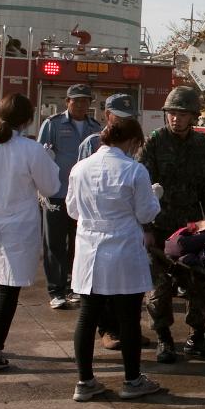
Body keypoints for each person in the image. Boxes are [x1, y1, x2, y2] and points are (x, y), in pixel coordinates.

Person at [66, 116, 164, 402]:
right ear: (133, 142)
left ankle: (85, 381)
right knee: (128, 318)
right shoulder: (134, 170)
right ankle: (132, 380)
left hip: (89, 249)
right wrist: (156, 195)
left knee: (87, 317)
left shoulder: (79, 168)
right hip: (122, 250)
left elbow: (72, 209)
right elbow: (146, 213)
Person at [0, 93, 60, 372]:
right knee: (9, 285)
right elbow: (51, 188)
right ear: (29, 120)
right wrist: (50, 161)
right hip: (17, 223)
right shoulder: (31, 150)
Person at [137, 86, 205, 364]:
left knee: (199, 286)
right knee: (158, 290)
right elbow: (141, 187)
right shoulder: (154, 143)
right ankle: (164, 338)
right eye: (172, 113)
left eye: (182, 114)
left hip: (191, 230)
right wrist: (146, 228)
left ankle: (196, 337)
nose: (175, 119)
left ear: (193, 117)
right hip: (160, 227)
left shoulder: (201, 144)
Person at [78, 92, 144, 350]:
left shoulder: (135, 144)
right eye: (121, 117)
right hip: (99, 230)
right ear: (107, 116)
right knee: (100, 294)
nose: (126, 122)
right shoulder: (92, 144)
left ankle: (127, 332)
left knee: (126, 294)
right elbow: (80, 192)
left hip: (126, 232)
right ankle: (109, 330)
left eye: (130, 118)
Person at [37, 83, 102, 309]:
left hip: (84, 197)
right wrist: (42, 189)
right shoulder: (52, 124)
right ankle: (56, 291)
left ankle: (75, 287)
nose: (82, 104)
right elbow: (41, 158)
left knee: (79, 243)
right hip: (56, 193)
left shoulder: (96, 127)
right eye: (77, 100)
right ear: (67, 102)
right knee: (54, 243)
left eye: (86, 100)